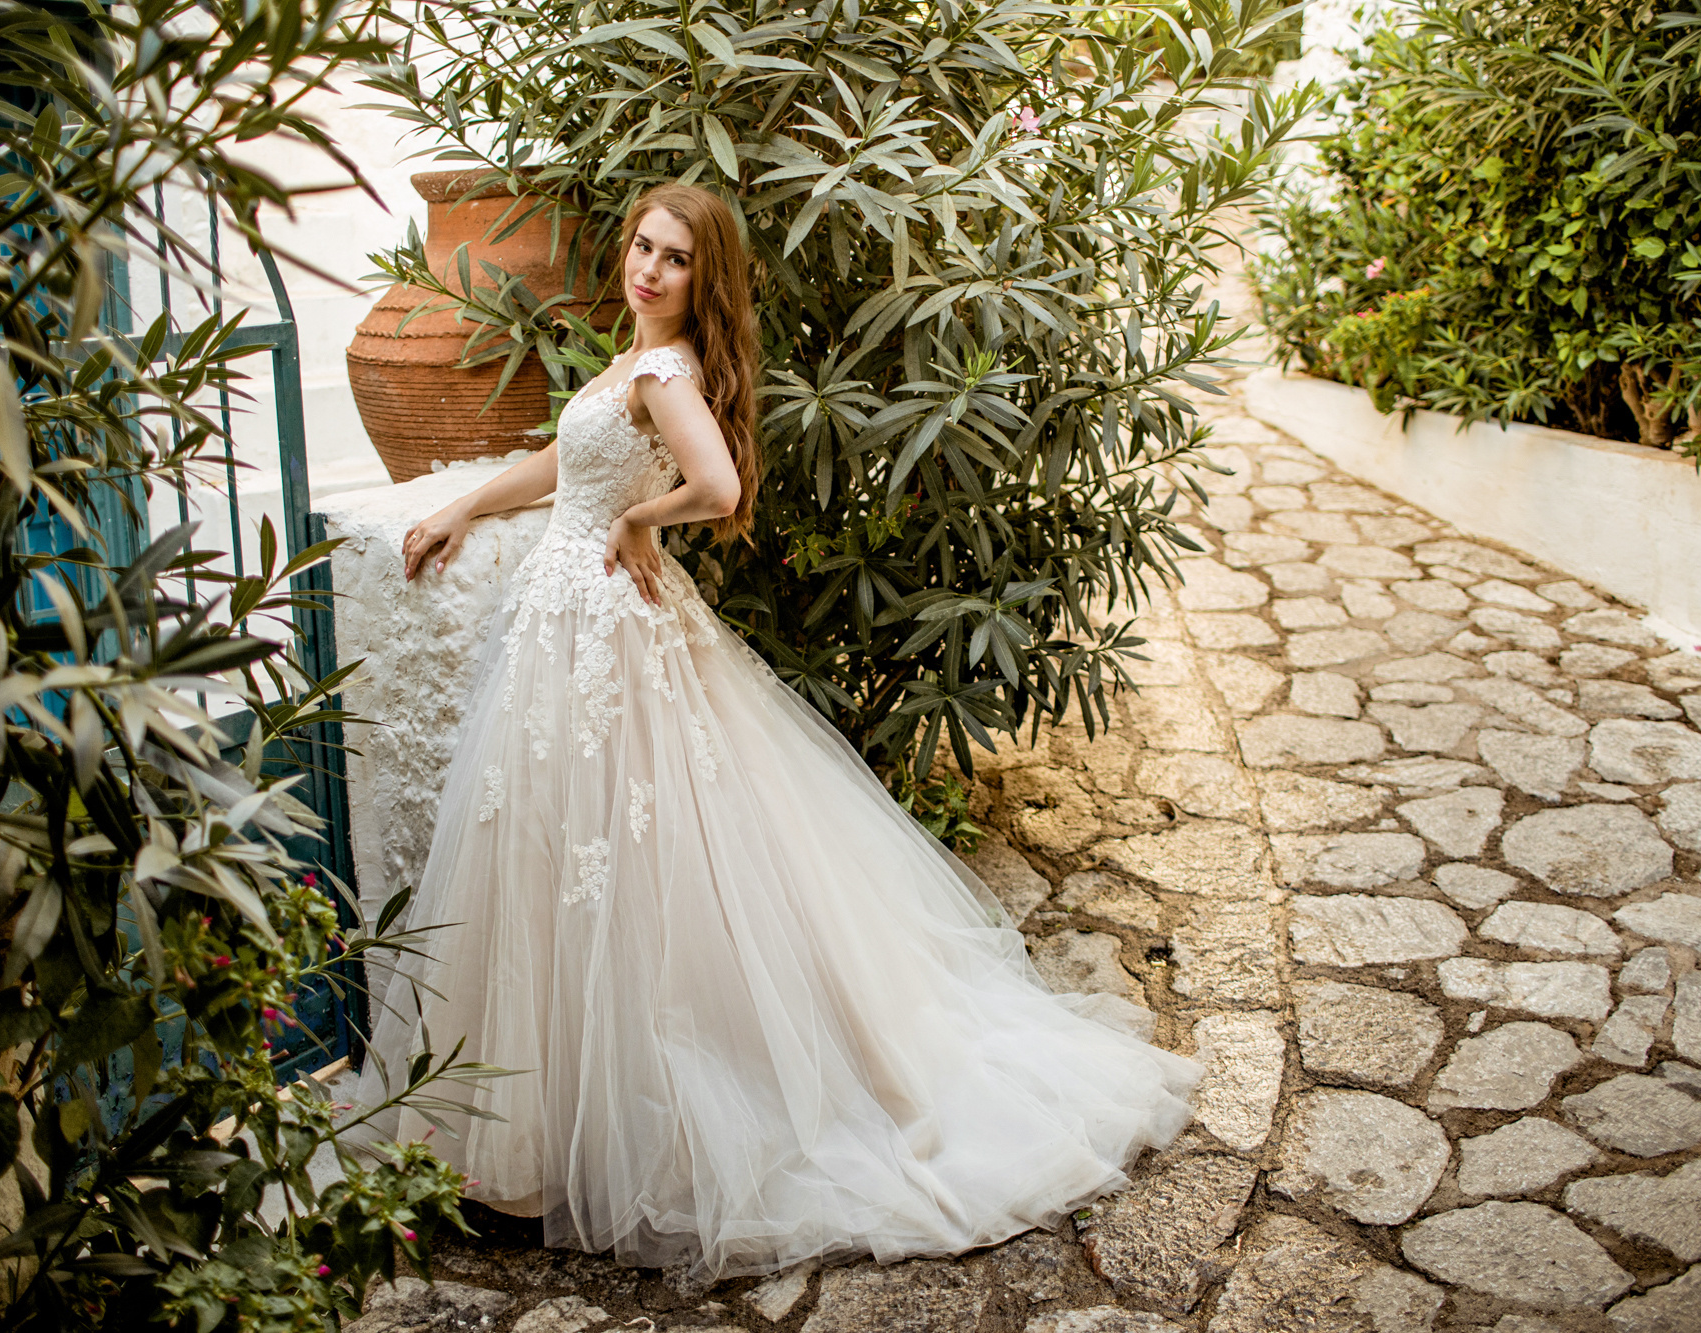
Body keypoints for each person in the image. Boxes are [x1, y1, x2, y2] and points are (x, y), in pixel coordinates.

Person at [365, 183, 1199, 1280]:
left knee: (630, 859)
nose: (649, 270)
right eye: (641, 248)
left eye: (673, 259)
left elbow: (715, 486)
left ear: (701, 279)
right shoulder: (631, 360)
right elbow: (564, 466)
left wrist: (635, 518)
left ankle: (649, 1111)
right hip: (568, 624)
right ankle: (543, 1119)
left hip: (606, 626)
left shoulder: (664, 371)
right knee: (561, 858)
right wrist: (468, 505)